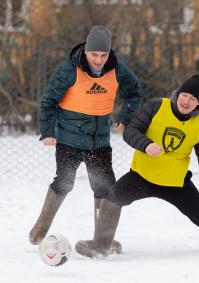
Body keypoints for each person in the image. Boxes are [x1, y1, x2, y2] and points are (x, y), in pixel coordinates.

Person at [75, 74, 199, 258]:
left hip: (175, 182)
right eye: (185, 95)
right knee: (112, 199)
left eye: (193, 99)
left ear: (198, 105)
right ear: (178, 94)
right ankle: (102, 245)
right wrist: (146, 144)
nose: (187, 101)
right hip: (141, 176)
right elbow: (131, 131)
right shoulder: (156, 106)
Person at [29, 26, 142, 254]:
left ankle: (103, 240)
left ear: (109, 53)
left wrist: (124, 116)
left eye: (103, 55)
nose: (99, 60)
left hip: (99, 141)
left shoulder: (117, 69)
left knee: (106, 188)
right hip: (69, 139)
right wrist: (48, 132)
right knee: (64, 182)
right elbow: (49, 101)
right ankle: (40, 229)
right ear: (86, 52)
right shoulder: (70, 69)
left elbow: (134, 92)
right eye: (94, 55)